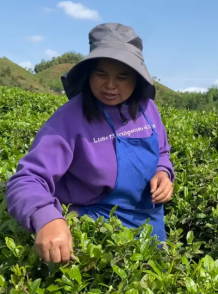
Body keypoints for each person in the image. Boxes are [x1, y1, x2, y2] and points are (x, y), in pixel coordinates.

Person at [6, 23, 175, 264]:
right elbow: (26, 179)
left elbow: (161, 152)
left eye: (122, 77)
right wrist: (46, 217)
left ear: (137, 79)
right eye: (101, 74)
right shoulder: (68, 119)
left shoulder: (149, 110)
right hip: (95, 229)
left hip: (150, 224)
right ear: (89, 74)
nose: (110, 85)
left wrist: (163, 172)